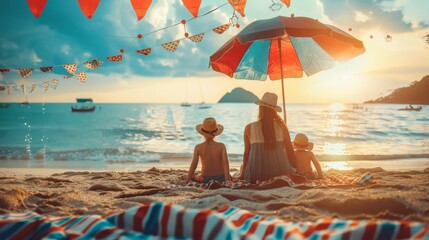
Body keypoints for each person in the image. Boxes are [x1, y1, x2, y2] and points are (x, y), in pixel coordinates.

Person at [237, 92, 296, 183]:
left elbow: (246, 154)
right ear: (274, 111)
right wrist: (295, 169)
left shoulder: (249, 128)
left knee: (241, 168)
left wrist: (242, 175)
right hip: (280, 172)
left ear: (261, 108)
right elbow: (290, 151)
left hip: (255, 175)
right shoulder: (282, 128)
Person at [184, 117, 231, 184]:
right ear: (216, 133)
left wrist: (187, 181)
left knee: (195, 176)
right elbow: (226, 164)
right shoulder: (222, 146)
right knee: (230, 175)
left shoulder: (198, 147)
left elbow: (194, 164)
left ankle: (194, 177)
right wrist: (227, 180)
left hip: (205, 179)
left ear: (202, 134)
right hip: (221, 178)